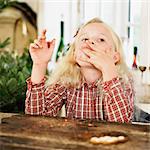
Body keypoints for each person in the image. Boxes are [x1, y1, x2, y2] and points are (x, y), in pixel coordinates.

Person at [25, 18, 134, 123]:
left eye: (101, 39)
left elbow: (122, 125)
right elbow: (37, 120)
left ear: (115, 57)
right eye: (84, 39)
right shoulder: (65, 81)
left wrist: (108, 69)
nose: (90, 42)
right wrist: (39, 64)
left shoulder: (123, 82)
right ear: (75, 54)